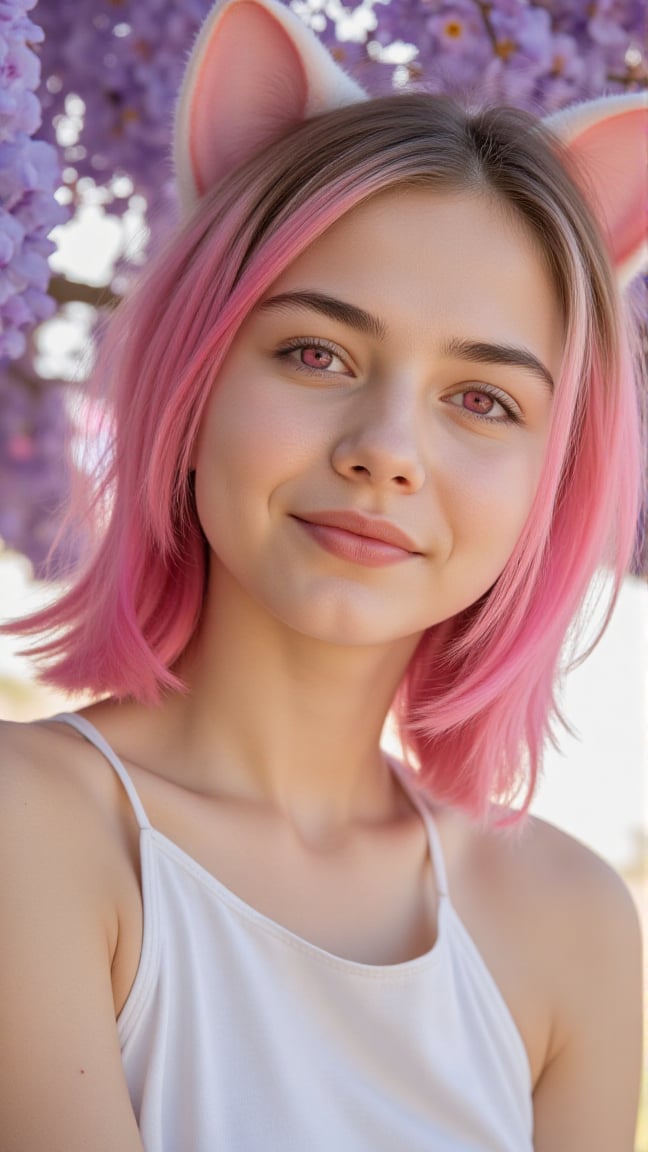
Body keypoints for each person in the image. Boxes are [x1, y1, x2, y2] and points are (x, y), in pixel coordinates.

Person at [1, 1, 646, 1148]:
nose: (387, 448)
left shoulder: (573, 925)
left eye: (483, 399)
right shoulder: (31, 826)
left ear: (553, 482)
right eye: (316, 352)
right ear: (192, 390)